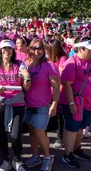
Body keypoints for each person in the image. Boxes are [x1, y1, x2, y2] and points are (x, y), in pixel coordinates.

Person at [59, 38, 91, 169]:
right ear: (80, 49)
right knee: (72, 128)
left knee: (80, 128)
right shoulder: (72, 62)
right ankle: (67, 154)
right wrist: (71, 103)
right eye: (89, 50)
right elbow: (66, 84)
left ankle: (77, 149)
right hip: (75, 103)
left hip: (88, 103)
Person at [0, 39, 31, 171]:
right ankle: (5, 161)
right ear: (0, 50)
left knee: (15, 135)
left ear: (13, 51)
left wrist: (27, 76)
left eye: (9, 49)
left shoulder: (19, 64)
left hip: (17, 101)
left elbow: (27, 87)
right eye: (4, 49)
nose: (6, 51)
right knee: (1, 133)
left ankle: (17, 160)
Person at [24, 38, 60, 171]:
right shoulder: (26, 64)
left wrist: (54, 104)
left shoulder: (49, 66)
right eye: (34, 48)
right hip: (27, 106)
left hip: (42, 106)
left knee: (40, 132)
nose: (37, 51)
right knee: (32, 132)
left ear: (44, 50)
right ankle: (35, 156)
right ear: (29, 49)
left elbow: (56, 87)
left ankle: (47, 157)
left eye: (40, 48)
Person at [47, 39, 68, 149]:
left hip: (59, 91)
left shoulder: (62, 59)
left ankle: (60, 138)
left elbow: (59, 75)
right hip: (49, 91)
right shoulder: (50, 59)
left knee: (60, 116)